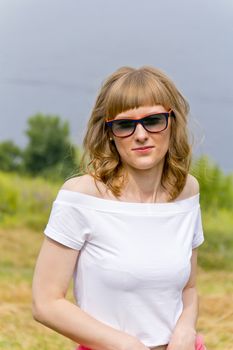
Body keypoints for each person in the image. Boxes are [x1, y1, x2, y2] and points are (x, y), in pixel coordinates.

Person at [32, 66, 207, 350]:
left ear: (172, 122)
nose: (141, 134)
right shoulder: (80, 196)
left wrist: (187, 329)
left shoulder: (187, 190)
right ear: (110, 133)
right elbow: (45, 303)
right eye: (125, 125)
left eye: (153, 120)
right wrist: (126, 345)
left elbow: (189, 287)